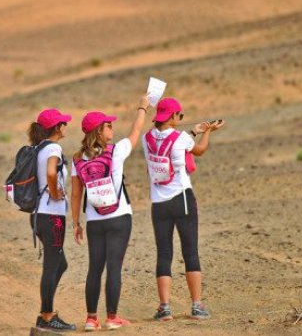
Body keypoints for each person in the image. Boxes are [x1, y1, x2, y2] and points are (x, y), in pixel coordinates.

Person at [71, 96, 150, 331]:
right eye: (108, 125)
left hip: (94, 220)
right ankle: (112, 317)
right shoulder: (116, 151)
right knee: (114, 266)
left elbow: (76, 195)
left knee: (95, 267)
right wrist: (143, 107)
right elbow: (136, 130)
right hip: (119, 217)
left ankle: (91, 318)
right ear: (99, 130)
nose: (112, 128)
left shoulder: (77, 158)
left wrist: (76, 223)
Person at [143, 97, 224, 322]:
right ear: (172, 117)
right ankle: (197, 306)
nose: (181, 118)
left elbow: (167, 139)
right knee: (190, 251)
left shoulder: (146, 138)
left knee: (164, 253)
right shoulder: (181, 139)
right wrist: (207, 132)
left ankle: (164, 307)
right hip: (182, 199)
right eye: (180, 115)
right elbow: (198, 151)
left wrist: (192, 130)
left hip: (158, 203)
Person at [29, 108, 76, 332]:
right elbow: (50, 173)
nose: (66, 126)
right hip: (52, 216)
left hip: (40, 216)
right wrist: (56, 194)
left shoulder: (40, 148)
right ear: (57, 127)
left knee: (60, 263)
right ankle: (47, 317)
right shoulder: (54, 147)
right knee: (51, 265)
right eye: (63, 123)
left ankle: (46, 313)